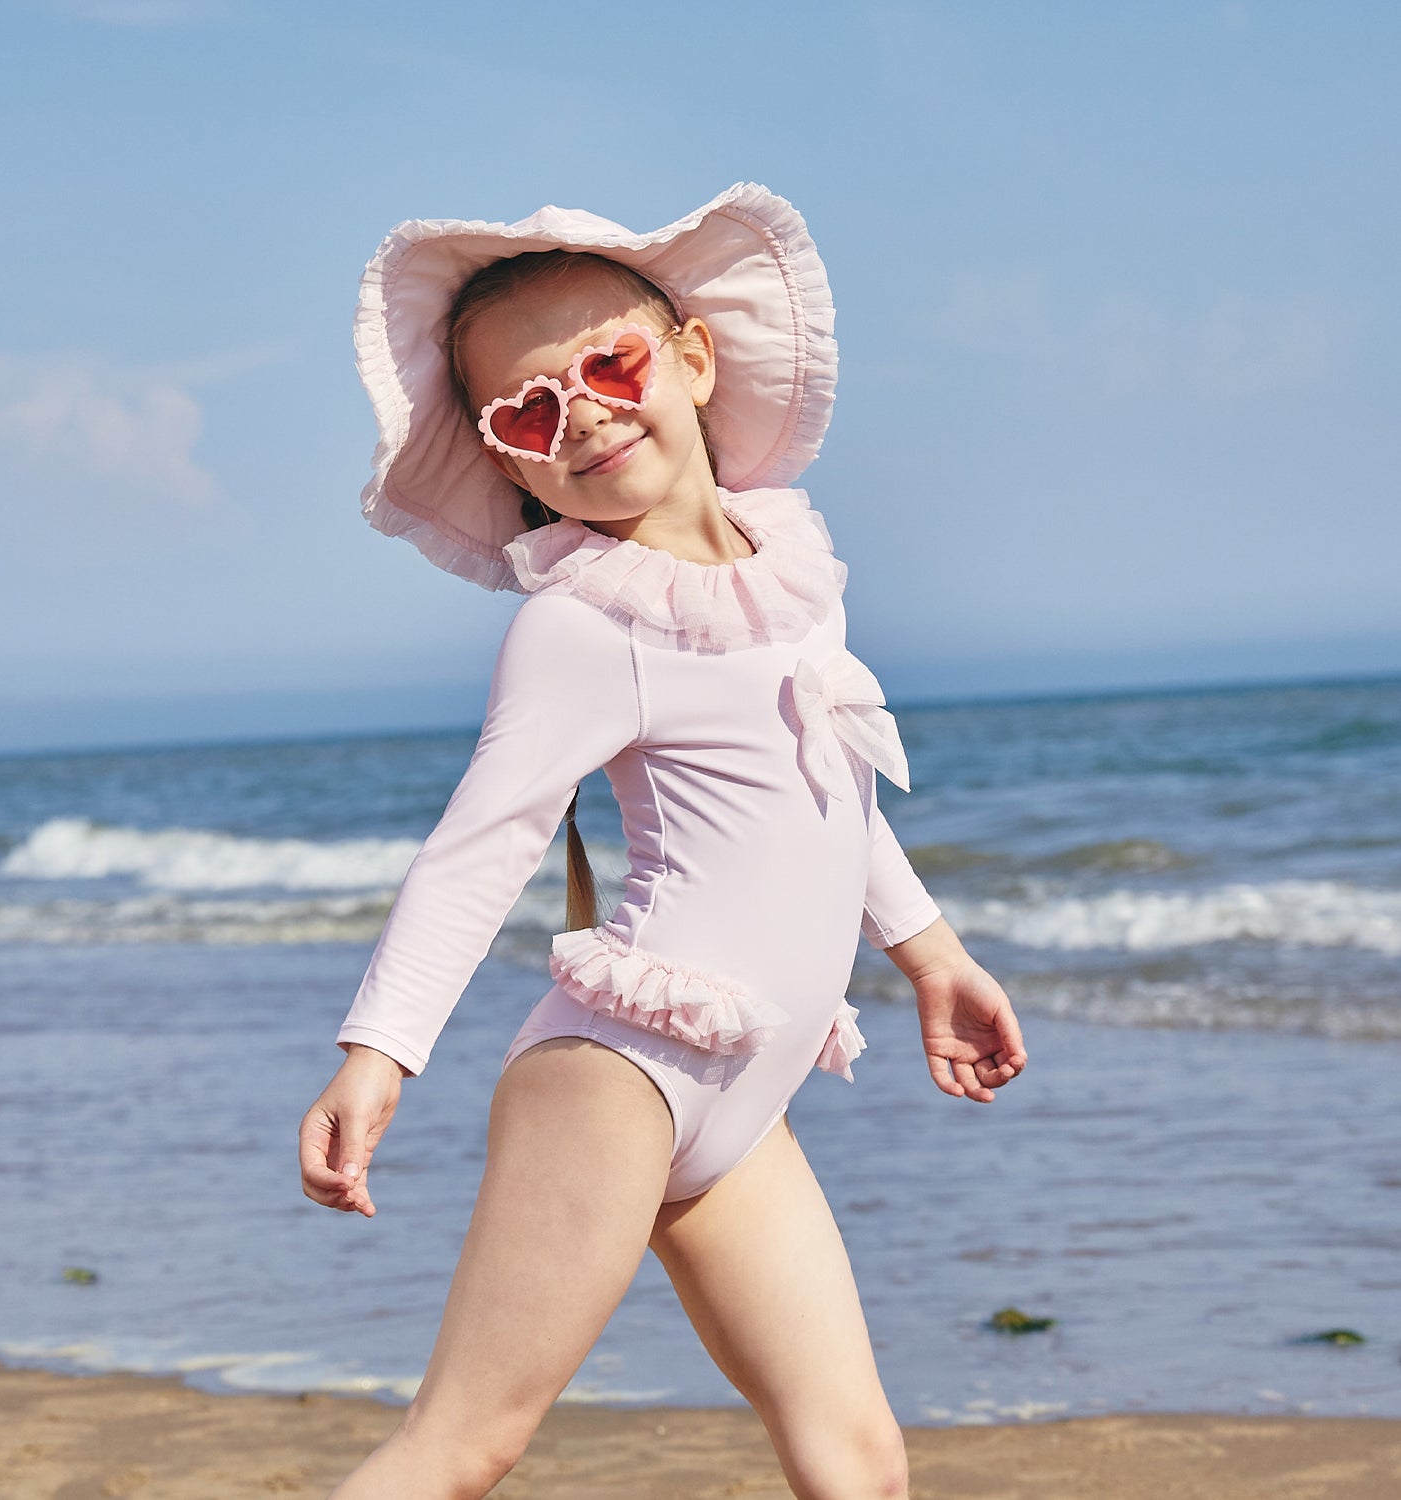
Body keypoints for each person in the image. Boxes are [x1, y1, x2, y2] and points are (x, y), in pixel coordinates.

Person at [299, 183, 1027, 1500]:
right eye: (530, 410)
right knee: (467, 1444)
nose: (579, 413)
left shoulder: (784, 560)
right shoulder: (585, 625)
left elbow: (830, 784)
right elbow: (482, 848)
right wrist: (376, 1057)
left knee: (858, 1455)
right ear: (512, 461)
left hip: (745, 1101)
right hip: (619, 1079)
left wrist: (933, 959)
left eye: (609, 364)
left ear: (690, 358)